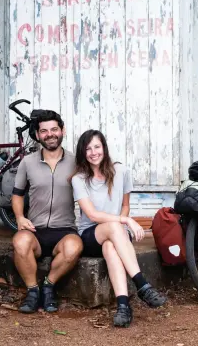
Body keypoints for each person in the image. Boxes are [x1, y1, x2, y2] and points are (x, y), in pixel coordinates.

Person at [71, 130, 167, 327]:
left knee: (110, 248)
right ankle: (142, 284)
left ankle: (123, 306)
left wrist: (123, 219)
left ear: (104, 148)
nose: (93, 152)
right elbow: (93, 215)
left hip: (116, 236)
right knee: (113, 229)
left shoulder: (121, 171)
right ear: (83, 153)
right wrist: (127, 221)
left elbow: (125, 205)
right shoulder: (79, 179)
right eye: (88, 149)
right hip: (91, 234)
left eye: (97, 147)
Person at [12, 110, 83, 314]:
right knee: (19, 242)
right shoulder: (28, 162)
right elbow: (17, 194)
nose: (50, 134)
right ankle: (33, 291)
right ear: (37, 134)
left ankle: (48, 286)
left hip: (65, 229)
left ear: (63, 131)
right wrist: (19, 218)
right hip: (35, 229)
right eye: (44, 131)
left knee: (73, 248)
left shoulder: (76, 161)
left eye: (54, 129)